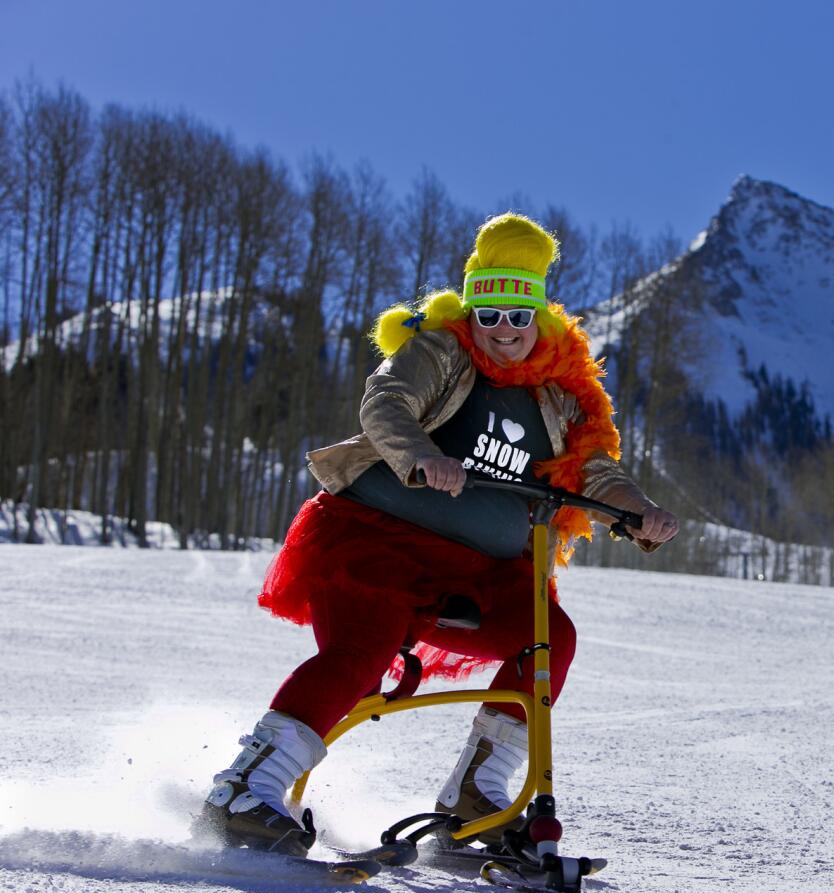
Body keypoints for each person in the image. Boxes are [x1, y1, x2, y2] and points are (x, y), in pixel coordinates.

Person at [201, 213, 678, 857]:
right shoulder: (441, 351)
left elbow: (594, 468)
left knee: (547, 640)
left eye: (517, 314)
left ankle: (476, 793)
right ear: (472, 310)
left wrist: (638, 509)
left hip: (484, 572)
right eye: (489, 314)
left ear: (540, 314)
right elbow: (386, 402)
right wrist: (423, 455)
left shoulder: (563, 394)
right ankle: (246, 786)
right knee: (359, 654)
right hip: (377, 544)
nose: (503, 330)